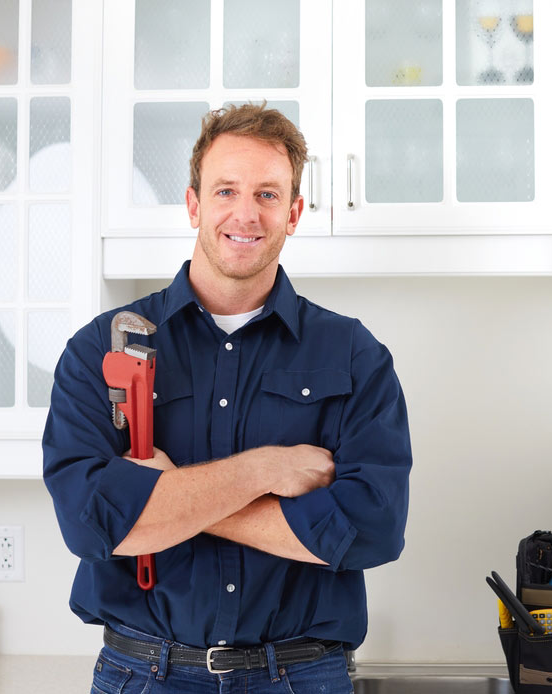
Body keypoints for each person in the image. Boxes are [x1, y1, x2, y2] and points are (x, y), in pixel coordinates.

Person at [42, 103, 412, 693]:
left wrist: (170, 501)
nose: (246, 214)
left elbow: (370, 528)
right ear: (194, 204)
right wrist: (266, 469)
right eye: (225, 190)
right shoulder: (100, 348)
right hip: (143, 675)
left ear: (293, 213)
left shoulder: (353, 355)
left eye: (268, 195)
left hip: (301, 676)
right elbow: (95, 525)